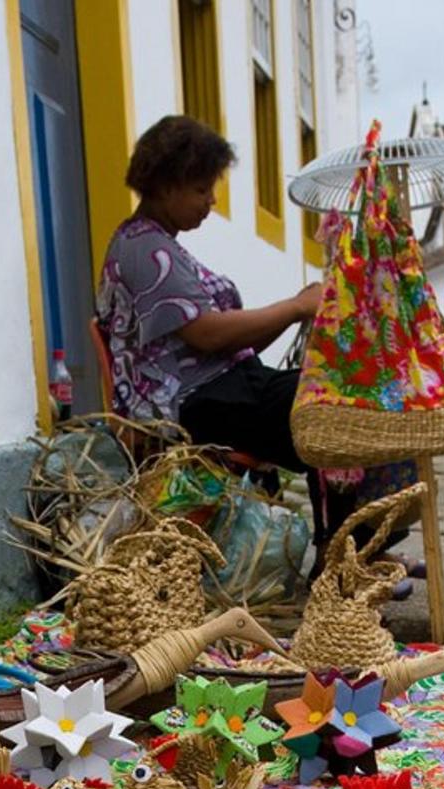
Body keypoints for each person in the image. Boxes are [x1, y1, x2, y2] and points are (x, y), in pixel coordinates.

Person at [95, 115, 415, 595]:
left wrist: (296, 310)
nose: (211, 201)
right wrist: (291, 307)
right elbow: (205, 335)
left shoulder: (160, 245)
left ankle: (355, 547)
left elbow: (229, 345)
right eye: (202, 189)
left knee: (332, 392)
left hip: (221, 386)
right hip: (191, 405)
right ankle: (348, 556)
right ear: (165, 186)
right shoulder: (145, 250)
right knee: (328, 412)